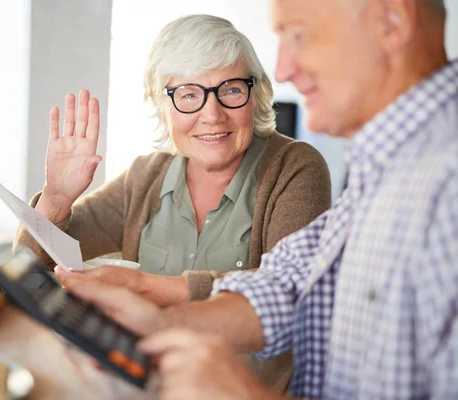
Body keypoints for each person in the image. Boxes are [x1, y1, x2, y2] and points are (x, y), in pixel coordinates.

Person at [62, 0, 458, 399]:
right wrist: (158, 322)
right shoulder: (388, 168)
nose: (284, 69)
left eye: (298, 35)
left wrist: (244, 394)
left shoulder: (445, 178)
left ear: (391, 21)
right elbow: (286, 286)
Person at [15, 13, 330, 393]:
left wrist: (149, 287)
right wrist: (56, 198)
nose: (211, 115)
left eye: (230, 89)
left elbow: (285, 295)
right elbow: (26, 266)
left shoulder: (296, 168)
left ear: (256, 93)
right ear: (163, 105)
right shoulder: (145, 176)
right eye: (189, 95)